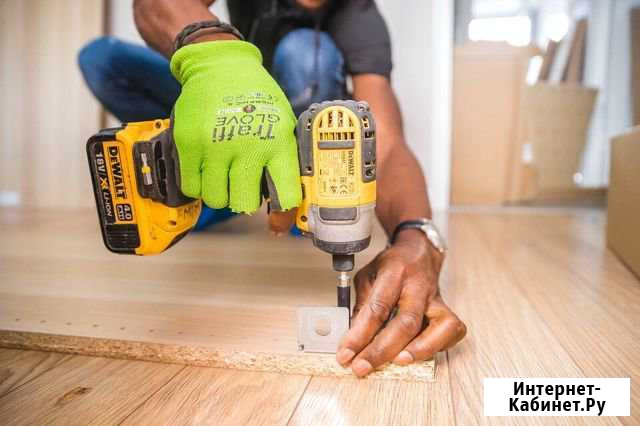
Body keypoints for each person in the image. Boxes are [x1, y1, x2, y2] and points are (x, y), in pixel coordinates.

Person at [78, 0, 466, 378]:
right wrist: (218, 57)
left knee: (305, 52)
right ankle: (218, 181)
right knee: (104, 58)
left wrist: (416, 235)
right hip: (227, 106)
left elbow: (386, 144)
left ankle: (286, 195)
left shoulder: (359, 15)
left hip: (293, 141)